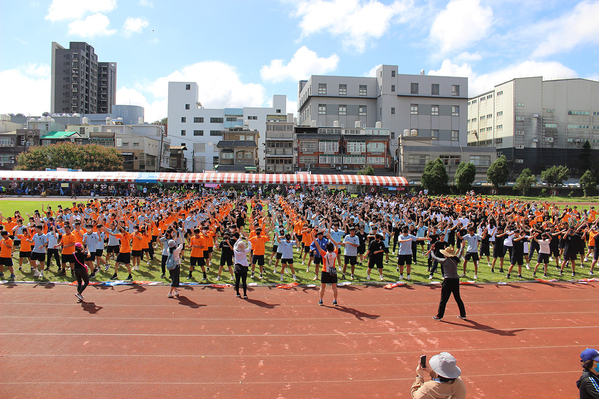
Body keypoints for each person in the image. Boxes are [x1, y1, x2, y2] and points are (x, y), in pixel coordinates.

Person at [429, 246, 467, 321]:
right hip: (456, 280)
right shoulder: (456, 260)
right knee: (458, 298)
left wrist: (431, 251)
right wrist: (462, 247)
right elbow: (459, 254)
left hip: (448, 281)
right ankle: (463, 314)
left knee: (443, 300)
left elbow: (435, 258)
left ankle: (439, 316)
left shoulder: (444, 261)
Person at [312, 230, 339, 306]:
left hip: (325, 271)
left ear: (326, 248)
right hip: (332, 271)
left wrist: (314, 238)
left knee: (322, 287)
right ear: (332, 248)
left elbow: (317, 246)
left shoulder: (324, 254)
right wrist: (330, 238)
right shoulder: (335, 253)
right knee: (334, 287)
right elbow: (337, 245)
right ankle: (335, 300)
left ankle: (321, 300)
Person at [233, 234, 252, 299]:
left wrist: (239, 239)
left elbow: (235, 245)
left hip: (237, 267)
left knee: (237, 281)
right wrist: (248, 240)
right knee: (244, 281)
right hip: (244, 267)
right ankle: (245, 294)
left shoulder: (235, 251)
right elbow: (250, 247)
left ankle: (237, 293)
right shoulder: (244, 252)